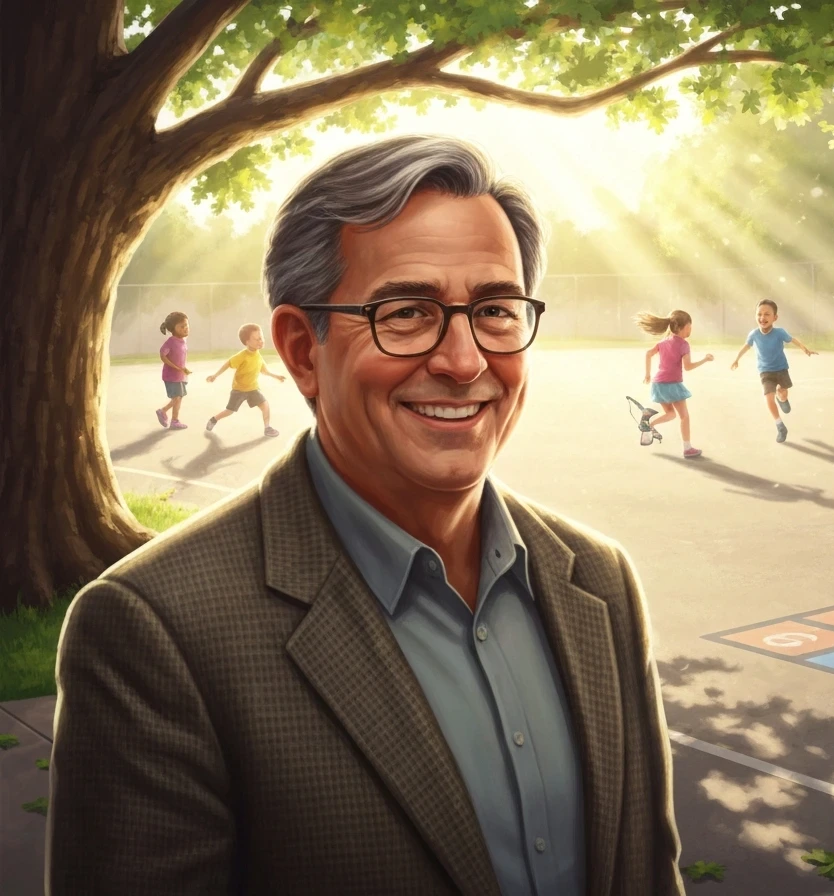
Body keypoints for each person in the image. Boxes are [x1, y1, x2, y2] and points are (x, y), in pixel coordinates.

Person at [48, 135, 684, 896]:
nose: (465, 360)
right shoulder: (155, 632)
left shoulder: (600, 582)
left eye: (496, 311)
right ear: (301, 350)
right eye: (407, 312)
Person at [729, 299, 817, 443]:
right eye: (759, 314)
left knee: (782, 394)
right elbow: (746, 346)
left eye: (767, 314)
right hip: (765, 371)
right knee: (768, 398)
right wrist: (736, 359)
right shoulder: (754, 334)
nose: (762, 318)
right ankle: (780, 426)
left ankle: (782, 398)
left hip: (781, 369)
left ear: (775, 317)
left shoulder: (779, 332)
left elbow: (793, 340)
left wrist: (805, 349)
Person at [636, 308, 713, 458]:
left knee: (670, 414)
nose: (690, 329)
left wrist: (647, 374)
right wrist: (705, 359)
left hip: (658, 384)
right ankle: (687, 448)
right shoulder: (683, 345)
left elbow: (648, 354)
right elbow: (688, 367)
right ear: (681, 327)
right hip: (672, 384)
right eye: (689, 326)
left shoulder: (663, 342)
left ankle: (649, 424)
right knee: (684, 417)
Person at [205, 322, 287, 437]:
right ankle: (214, 419)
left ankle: (267, 428)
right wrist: (215, 375)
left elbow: (264, 370)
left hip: (253, 389)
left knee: (265, 405)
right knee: (230, 411)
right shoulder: (242, 356)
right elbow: (228, 363)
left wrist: (277, 376)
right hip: (239, 390)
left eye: (261, 337)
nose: (261, 340)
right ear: (247, 342)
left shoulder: (258, 355)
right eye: (257, 339)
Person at [156, 310, 192, 430]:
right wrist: (175, 367)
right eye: (182, 326)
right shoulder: (171, 342)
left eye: (187, 325)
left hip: (180, 375)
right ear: (173, 328)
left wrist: (183, 369)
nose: (186, 328)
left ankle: (163, 412)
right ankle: (174, 420)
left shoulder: (183, 341)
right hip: (171, 376)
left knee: (178, 397)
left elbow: (179, 359)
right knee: (177, 397)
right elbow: (162, 354)